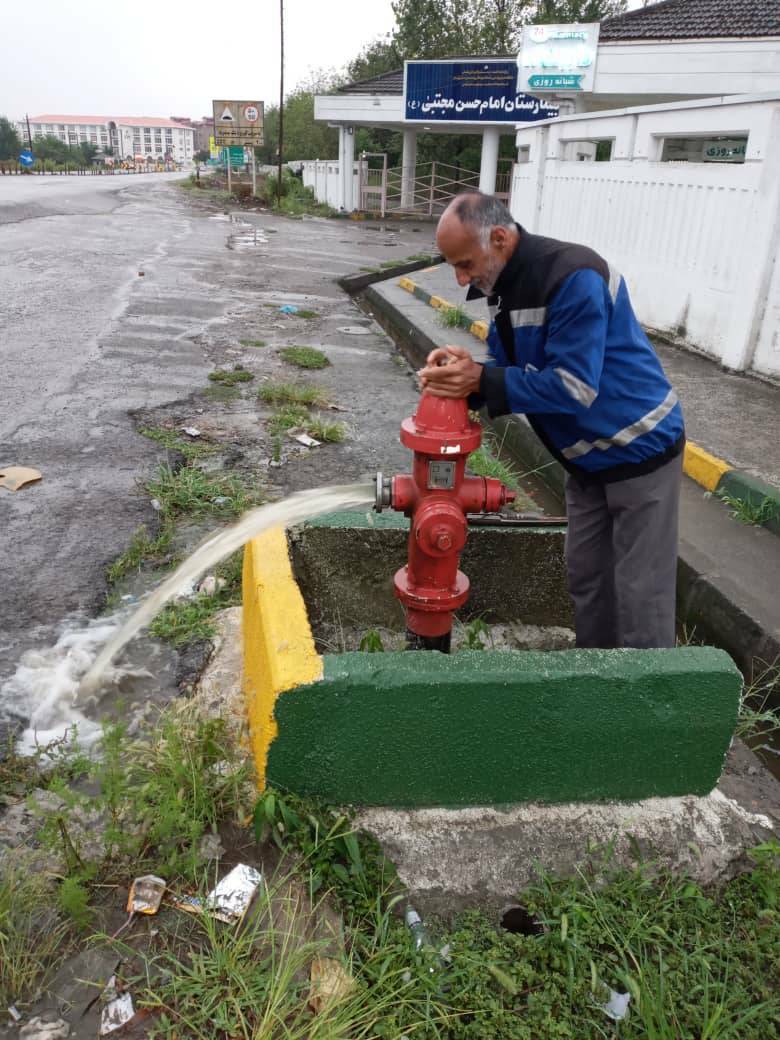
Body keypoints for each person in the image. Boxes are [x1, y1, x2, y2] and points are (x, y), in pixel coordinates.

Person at [419, 192, 685, 649]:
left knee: (641, 595)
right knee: (587, 578)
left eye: (464, 263)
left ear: (499, 238)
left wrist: (481, 380)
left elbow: (575, 388)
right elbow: (512, 366)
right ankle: (597, 680)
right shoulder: (503, 285)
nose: (461, 278)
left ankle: (645, 705)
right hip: (586, 463)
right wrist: (471, 372)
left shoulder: (573, 276)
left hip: (639, 451)